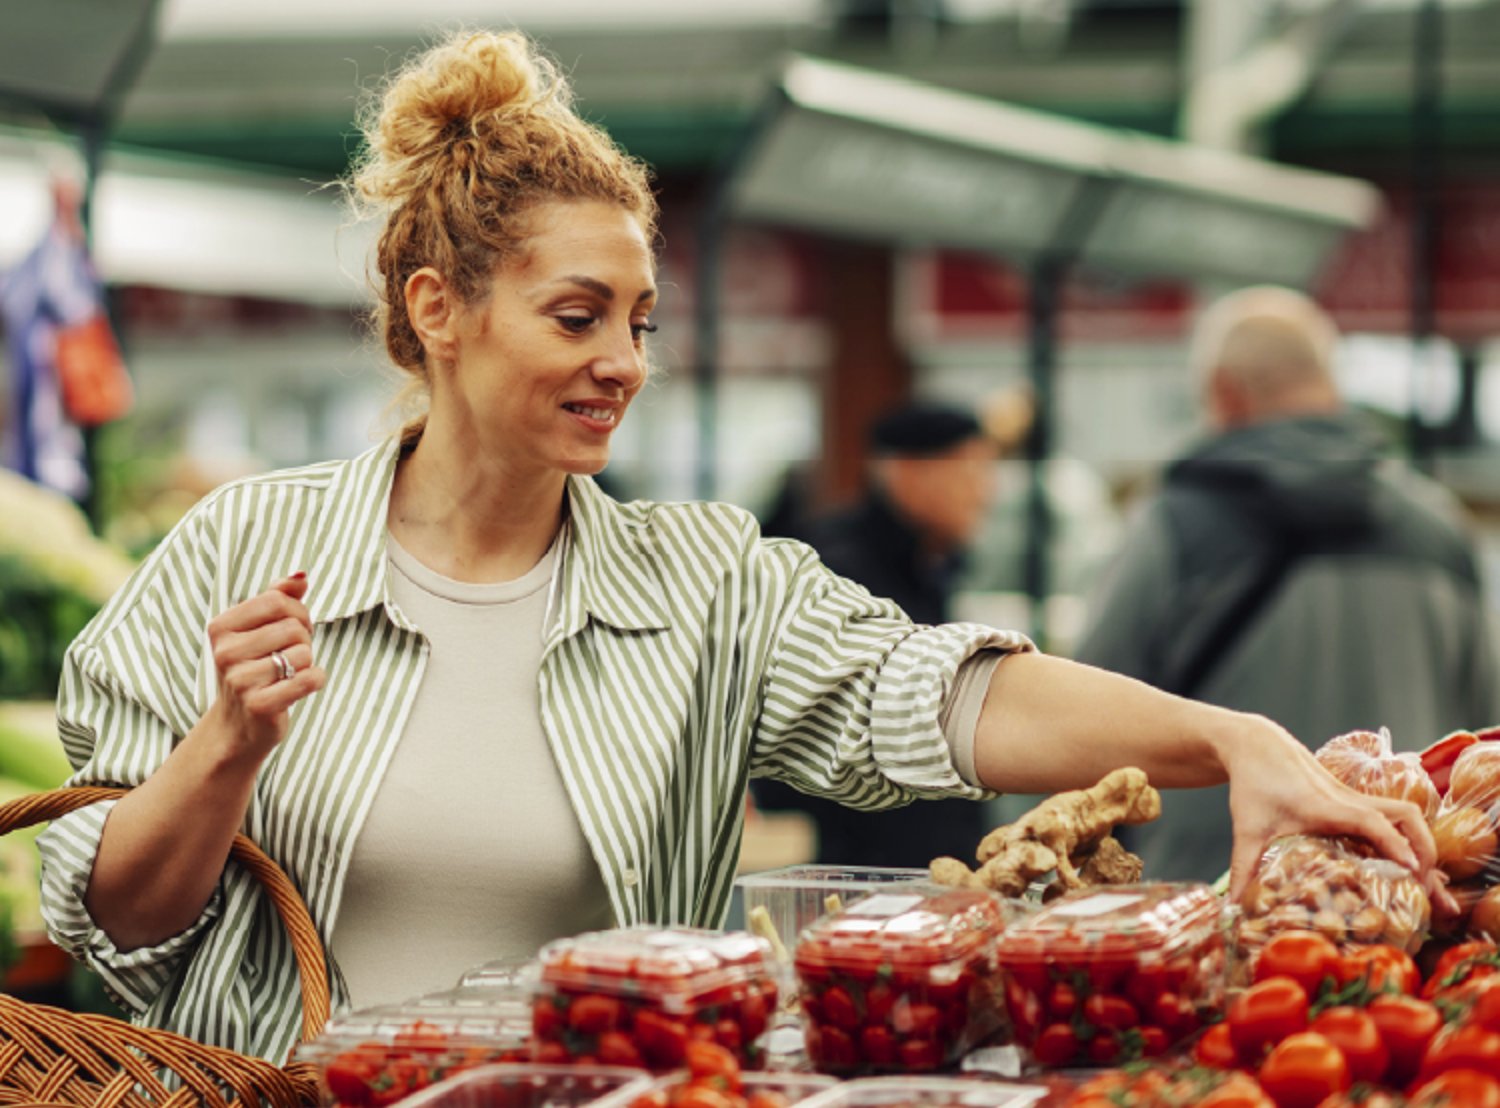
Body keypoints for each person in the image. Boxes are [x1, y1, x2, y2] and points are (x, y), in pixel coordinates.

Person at [37, 35, 1438, 1064]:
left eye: (642, 324)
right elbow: (112, 922)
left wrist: (1231, 738)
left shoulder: (701, 578)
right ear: (439, 310)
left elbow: (946, 694)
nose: (623, 362)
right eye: (578, 317)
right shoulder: (246, 548)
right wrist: (225, 745)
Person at [1073, 285, 1500, 882]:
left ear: (1225, 391)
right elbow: (1481, 744)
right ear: (1329, 383)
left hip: (1217, 902)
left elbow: (1086, 715)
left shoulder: (1174, 525)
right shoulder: (1439, 527)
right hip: (1404, 903)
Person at [753, 402, 1001, 867]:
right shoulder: (838, 571)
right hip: (859, 871)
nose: (987, 492)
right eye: (972, 470)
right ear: (908, 474)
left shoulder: (931, 563)